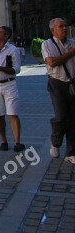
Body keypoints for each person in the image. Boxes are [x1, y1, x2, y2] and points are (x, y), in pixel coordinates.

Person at [42, 18, 75, 163]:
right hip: (56, 83)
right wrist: (72, 53)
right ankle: (55, 142)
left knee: (73, 119)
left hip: (72, 83)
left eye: (65, 25)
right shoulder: (47, 44)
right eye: (60, 26)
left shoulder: (72, 43)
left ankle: (71, 153)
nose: (64, 28)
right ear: (53, 30)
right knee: (61, 116)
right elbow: (52, 62)